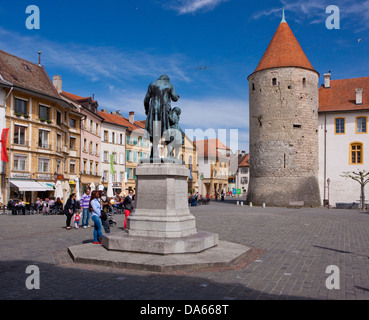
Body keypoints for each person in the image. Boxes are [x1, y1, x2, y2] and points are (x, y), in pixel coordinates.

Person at [144, 75, 180, 159]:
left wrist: (147, 110)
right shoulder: (169, 85)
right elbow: (174, 98)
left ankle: (155, 154)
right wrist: (177, 96)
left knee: (155, 132)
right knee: (167, 131)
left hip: (154, 110)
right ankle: (169, 154)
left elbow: (146, 99)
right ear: (167, 80)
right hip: (164, 111)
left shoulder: (152, 85)